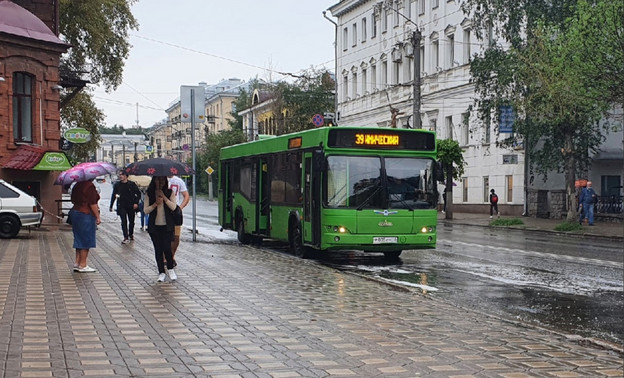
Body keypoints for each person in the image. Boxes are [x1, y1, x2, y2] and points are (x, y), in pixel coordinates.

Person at [144, 176, 178, 282]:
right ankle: (161, 272)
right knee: (158, 249)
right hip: (154, 227)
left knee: (167, 247)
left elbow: (174, 207)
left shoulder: (169, 192)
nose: (160, 182)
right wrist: (155, 204)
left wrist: (164, 198)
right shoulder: (149, 193)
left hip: (167, 226)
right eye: (158, 180)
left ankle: (170, 268)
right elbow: (145, 210)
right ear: (154, 181)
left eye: (163, 180)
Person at [68, 179, 101, 273]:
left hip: (75, 212)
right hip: (85, 213)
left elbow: (72, 199)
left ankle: (77, 263)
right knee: (86, 238)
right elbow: (92, 203)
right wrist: (97, 216)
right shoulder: (89, 186)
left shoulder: (77, 185)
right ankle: (83, 264)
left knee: (78, 237)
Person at [109, 171, 141, 244]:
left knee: (131, 221)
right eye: (119, 175)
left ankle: (131, 234)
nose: (120, 176)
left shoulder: (131, 184)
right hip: (121, 205)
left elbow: (138, 193)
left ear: (126, 176)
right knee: (123, 221)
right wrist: (111, 205)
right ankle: (125, 237)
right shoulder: (117, 185)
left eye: (122, 175)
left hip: (131, 205)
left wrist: (136, 203)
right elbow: (114, 194)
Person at [168, 175, 190, 263]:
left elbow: (186, 196)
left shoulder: (178, 181)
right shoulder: (160, 179)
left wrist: (180, 207)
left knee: (176, 237)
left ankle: (172, 256)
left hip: (175, 212)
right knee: (166, 237)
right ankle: (165, 258)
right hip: (164, 212)